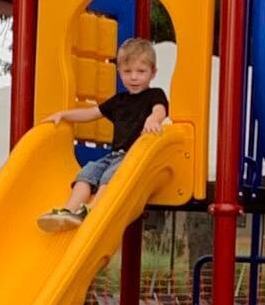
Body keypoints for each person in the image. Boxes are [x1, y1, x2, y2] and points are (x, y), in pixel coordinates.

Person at [36, 36, 168, 232]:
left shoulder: (155, 94)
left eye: (141, 71)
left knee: (110, 176)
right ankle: (69, 210)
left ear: (153, 73)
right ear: (119, 72)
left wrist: (153, 120)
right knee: (87, 173)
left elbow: (160, 110)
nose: (133, 77)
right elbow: (91, 113)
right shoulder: (118, 100)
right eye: (127, 71)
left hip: (135, 157)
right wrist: (64, 114)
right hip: (114, 155)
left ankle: (93, 209)